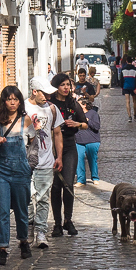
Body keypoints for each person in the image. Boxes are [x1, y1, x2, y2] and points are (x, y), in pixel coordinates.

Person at [0, 86, 35, 266]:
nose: (13, 102)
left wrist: (30, 167)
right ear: (4, 102)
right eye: (9, 99)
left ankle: (23, 241)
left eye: (16, 99)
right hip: (2, 172)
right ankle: (2, 248)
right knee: (2, 211)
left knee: (22, 210)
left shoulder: (26, 121)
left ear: (20, 102)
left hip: (21, 172)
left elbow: (33, 146)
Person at [25, 77, 64, 249]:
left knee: (42, 199)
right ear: (34, 91)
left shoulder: (52, 109)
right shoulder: (23, 107)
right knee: (26, 198)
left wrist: (59, 157)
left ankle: (41, 231)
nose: (48, 97)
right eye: (44, 93)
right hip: (26, 162)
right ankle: (28, 226)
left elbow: (57, 133)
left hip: (46, 162)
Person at [50, 73, 89, 237]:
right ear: (56, 86)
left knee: (68, 184)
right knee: (55, 186)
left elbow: (86, 124)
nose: (66, 88)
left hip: (69, 145)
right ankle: (57, 223)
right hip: (52, 147)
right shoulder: (50, 103)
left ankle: (68, 220)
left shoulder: (73, 104)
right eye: (63, 85)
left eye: (68, 85)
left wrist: (77, 123)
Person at [75, 95, 101, 186]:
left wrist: (88, 121)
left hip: (92, 141)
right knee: (79, 160)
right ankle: (81, 180)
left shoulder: (93, 114)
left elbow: (97, 126)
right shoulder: (75, 115)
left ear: (84, 105)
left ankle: (95, 177)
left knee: (92, 159)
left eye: (78, 104)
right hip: (79, 141)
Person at [121, 54, 136, 121]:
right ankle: (135, 114)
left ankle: (129, 116)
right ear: (132, 61)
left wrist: (122, 87)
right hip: (133, 87)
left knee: (127, 101)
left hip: (126, 86)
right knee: (134, 101)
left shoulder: (123, 69)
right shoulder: (135, 69)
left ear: (126, 61)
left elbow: (121, 79)